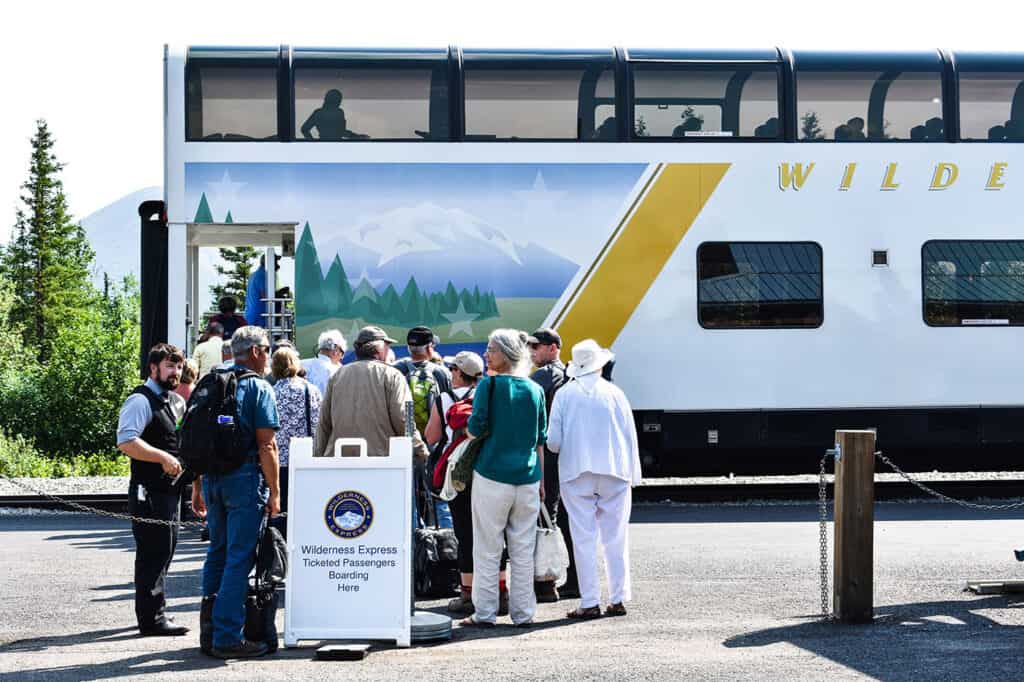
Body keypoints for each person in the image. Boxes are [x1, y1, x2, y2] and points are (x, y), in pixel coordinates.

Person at [191, 326, 281, 659]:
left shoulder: (212, 381)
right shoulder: (257, 387)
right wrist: (275, 491)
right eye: (268, 349)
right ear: (256, 351)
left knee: (218, 551)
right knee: (239, 557)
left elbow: (198, 440)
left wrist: (197, 485)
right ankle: (228, 636)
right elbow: (267, 444)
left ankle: (210, 630)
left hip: (213, 479)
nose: (269, 355)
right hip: (243, 478)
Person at [547, 339, 641, 620]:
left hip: (576, 473)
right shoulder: (615, 393)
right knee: (616, 536)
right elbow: (630, 436)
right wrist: (634, 473)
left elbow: (553, 442)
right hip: (615, 471)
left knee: (583, 537)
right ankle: (618, 597)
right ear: (599, 367)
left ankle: (589, 601)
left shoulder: (565, 394)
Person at [462, 329, 547, 628]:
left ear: (506, 354)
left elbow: (476, 428)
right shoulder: (535, 390)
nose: (486, 354)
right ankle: (523, 614)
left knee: (487, 547)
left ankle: (484, 613)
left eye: (491, 349)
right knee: (523, 549)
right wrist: (543, 483)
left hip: (492, 476)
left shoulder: (489, 385)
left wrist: (465, 430)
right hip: (528, 478)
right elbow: (540, 441)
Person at [116, 343, 189, 637]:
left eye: (179, 367)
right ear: (153, 368)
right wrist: (163, 457)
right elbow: (126, 441)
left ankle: (154, 613)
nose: (176, 372)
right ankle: (152, 620)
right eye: (170, 366)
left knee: (165, 550)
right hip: (149, 492)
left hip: (170, 492)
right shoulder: (139, 400)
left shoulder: (175, 402)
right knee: (153, 553)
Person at [423, 351, 501, 614]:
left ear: (457, 372)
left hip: (456, 473)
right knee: (492, 531)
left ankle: (467, 592)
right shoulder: (487, 395)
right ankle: (498, 589)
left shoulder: (444, 399)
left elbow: (431, 436)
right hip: (486, 468)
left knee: (464, 532)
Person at [314, 326, 429, 461]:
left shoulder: (337, 375)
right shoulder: (394, 376)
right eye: (387, 346)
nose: (388, 350)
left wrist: (318, 457)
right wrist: (419, 449)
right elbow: (406, 417)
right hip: (381, 462)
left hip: (340, 461)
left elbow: (323, 422)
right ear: (379, 349)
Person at [527, 328, 578, 602]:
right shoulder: (570, 375)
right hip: (568, 455)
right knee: (568, 517)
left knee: (544, 516)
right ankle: (576, 578)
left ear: (553, 347)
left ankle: (545, 582)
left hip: (546, 454)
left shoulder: (542, 378)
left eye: (537, 346)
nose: (532, 351)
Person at [393, 326, 453, 526]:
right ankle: (446, 546)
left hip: (404, 442)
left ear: (409, 348)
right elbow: (448, 410)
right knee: (439, 496)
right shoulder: (441, 373)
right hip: (435, 444)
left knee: (406, 497)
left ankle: (412, 547)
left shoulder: (396, 370)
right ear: (430, 347)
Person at [271, 346, 322, 538]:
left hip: (279, 460)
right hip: (305, 457)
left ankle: (280, 549)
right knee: (306, 508)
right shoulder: (311, 389)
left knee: (281, 508)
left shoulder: (271, 392)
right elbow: (319, 424)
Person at [300, 89, 369, 141]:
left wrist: (313, 143)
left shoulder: (318, 112)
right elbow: (341, 132)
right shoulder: (339, 112)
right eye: (339, 100)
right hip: (337, 145)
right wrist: (356, 136)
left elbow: (304, 129)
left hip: (326, 145)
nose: (340, 102)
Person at [301, 329, 345, 396]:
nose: (341, 357)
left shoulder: (301, 364)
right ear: (335, 351)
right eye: (342, 353)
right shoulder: (335, 371)